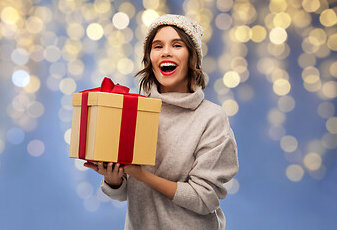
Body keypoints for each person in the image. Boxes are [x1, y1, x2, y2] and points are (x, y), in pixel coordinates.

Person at [84, 14, 239, 230]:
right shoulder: (135, 111)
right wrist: (114, 179)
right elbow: (126, 192)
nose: (166, 51)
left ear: (192, 58)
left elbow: (204, 198)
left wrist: (140, 174)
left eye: (177, 45)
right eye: (158, 46)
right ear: (150, 59)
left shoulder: (211, 118)